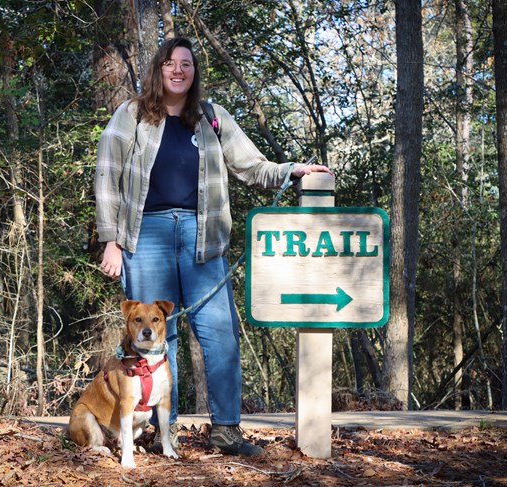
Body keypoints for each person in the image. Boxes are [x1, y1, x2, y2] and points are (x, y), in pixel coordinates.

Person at [94, 37, 334, 457]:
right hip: (144, 234)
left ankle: (226, 430)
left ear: (194, 73)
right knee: (152, 339)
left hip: (202, 236)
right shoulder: (131, 114)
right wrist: (111, 241)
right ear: (158, 69)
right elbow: (107, 173)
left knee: (220, 334)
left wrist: (290, 170)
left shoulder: (211, 118)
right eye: (170, 63)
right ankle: (162, 434)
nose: (178, 70)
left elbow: (250, 164)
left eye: (186, 64)